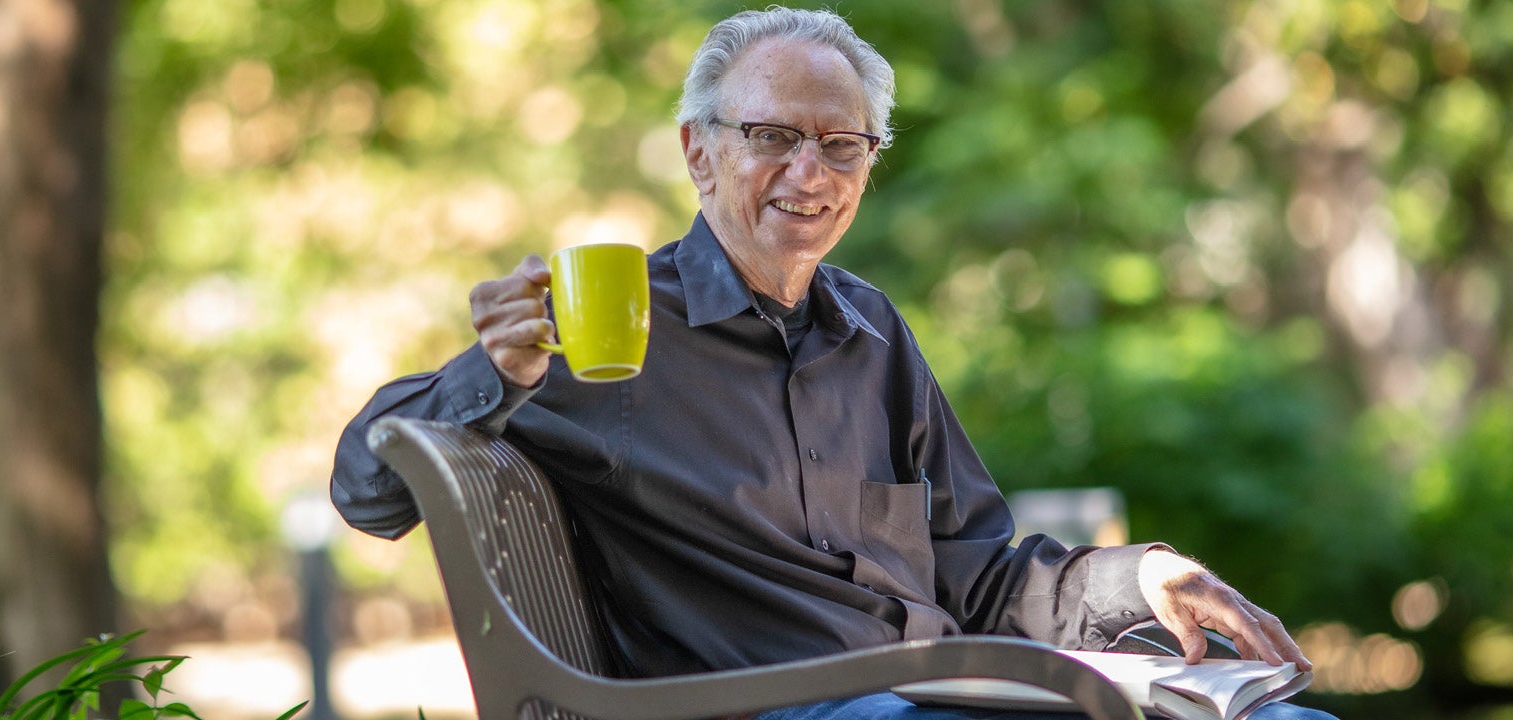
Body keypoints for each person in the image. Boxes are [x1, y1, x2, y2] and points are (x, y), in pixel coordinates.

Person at [332, 7, 1337, 720]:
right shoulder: (613, 332)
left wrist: (1143, 578)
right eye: (772, 136)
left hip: (946, 690)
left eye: (841, 145)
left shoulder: (872, 329)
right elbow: (368, 487)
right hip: (782, 708)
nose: (809, 174)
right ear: (699, 152)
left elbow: (978, 573)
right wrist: (496, 374)